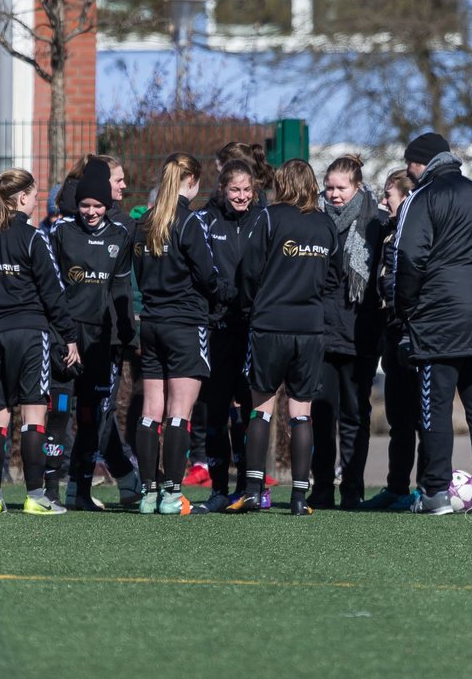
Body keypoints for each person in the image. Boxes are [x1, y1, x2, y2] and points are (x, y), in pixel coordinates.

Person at [393, 133, 472, 516]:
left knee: (435, 407)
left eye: (410, 164)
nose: (409, 173)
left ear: (420, 163)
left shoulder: (422, 198)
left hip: (440, 319)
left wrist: (405, 308)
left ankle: (435, 492)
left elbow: (408, 256)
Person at [227, 158, 340, 516]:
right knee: (301, 414)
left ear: (282, 184)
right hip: (309, 329)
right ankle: (299, 498)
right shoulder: (326, 224)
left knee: (260, 409)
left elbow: (248, 272)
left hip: (270, 325)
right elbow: (334, 277)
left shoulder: (269, 217)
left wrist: (252, 305)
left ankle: (251, 490)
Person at [0, 168, 80, 515]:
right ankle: (35, 496)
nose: (37, 201)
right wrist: (70, 337)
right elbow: (54, 294)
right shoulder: (34, 237)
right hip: (30, 334)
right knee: (34, 414)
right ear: (21, 199)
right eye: (34, 195)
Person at [132, 153, 224, 515]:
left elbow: (138, 270)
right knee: (178, 413)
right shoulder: (189, 222)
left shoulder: (144, 222)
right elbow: (207, 274)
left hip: (151, 323)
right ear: (194, 182)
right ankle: (171, 494)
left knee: (150, 410)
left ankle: (148, 492)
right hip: (185, 323)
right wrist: (222, 292)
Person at [47, 158, 138, 510]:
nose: (90, 211)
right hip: (67, 340)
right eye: (85, 205)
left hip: (101, 342)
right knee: (59, 412)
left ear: (107, 205)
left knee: (91, 416)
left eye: (97, 205)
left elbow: (121, 290)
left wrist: (128, 335)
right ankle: (50, 489)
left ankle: (79, 489)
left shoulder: (120, 236)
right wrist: (60, 336)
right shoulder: (61, 234)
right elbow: (53, 290)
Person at [192, 157, 264, 514]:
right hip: (218, 325)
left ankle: (250, 487)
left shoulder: (261, 220)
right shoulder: (206, 221)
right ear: (222, 190)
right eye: (235, 189)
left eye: (247, 190)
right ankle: (218, 488)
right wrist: (223, 294)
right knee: (216, 410)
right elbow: (202, 271)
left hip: (252, 327)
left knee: (250, 409)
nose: (241, 196)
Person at [312, 155, 384, 508]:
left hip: (361, 333)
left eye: (341, 188)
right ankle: (322, 485)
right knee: (322, 414)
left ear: (357, 187)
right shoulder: (314, 222)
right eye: (329, 187)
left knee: (355, 414)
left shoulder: (376, 222)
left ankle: (353, 487)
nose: (334, 194)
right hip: (322, 334)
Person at [359, 169, 419, 510]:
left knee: (423, 419)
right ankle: (396, 487)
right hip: (392, 335)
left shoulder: (418, 235)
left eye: (389, 196)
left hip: (416, 336)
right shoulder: (387, 233)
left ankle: (428, 488)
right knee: (399, 420)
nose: (383, 202)